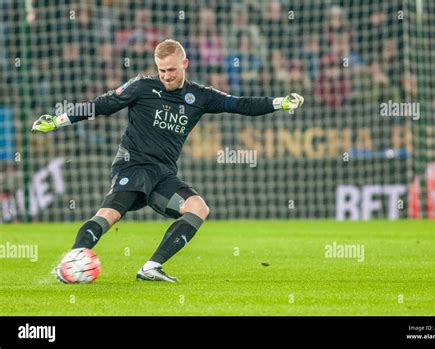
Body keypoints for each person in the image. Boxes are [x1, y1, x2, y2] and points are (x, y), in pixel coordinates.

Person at [31, 39, 304, 283]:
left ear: (184, 64)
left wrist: (280, 102)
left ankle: (151, 267)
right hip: (133, 165)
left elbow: (241, 105)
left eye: (171, 70)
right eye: (161, 70)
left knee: (198, 208)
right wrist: (58, 120)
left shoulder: (199, 97)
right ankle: (70, 263)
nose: (166, 76)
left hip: (163, 174)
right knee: (110, 215)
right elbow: (102, 105)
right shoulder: (142, 86)